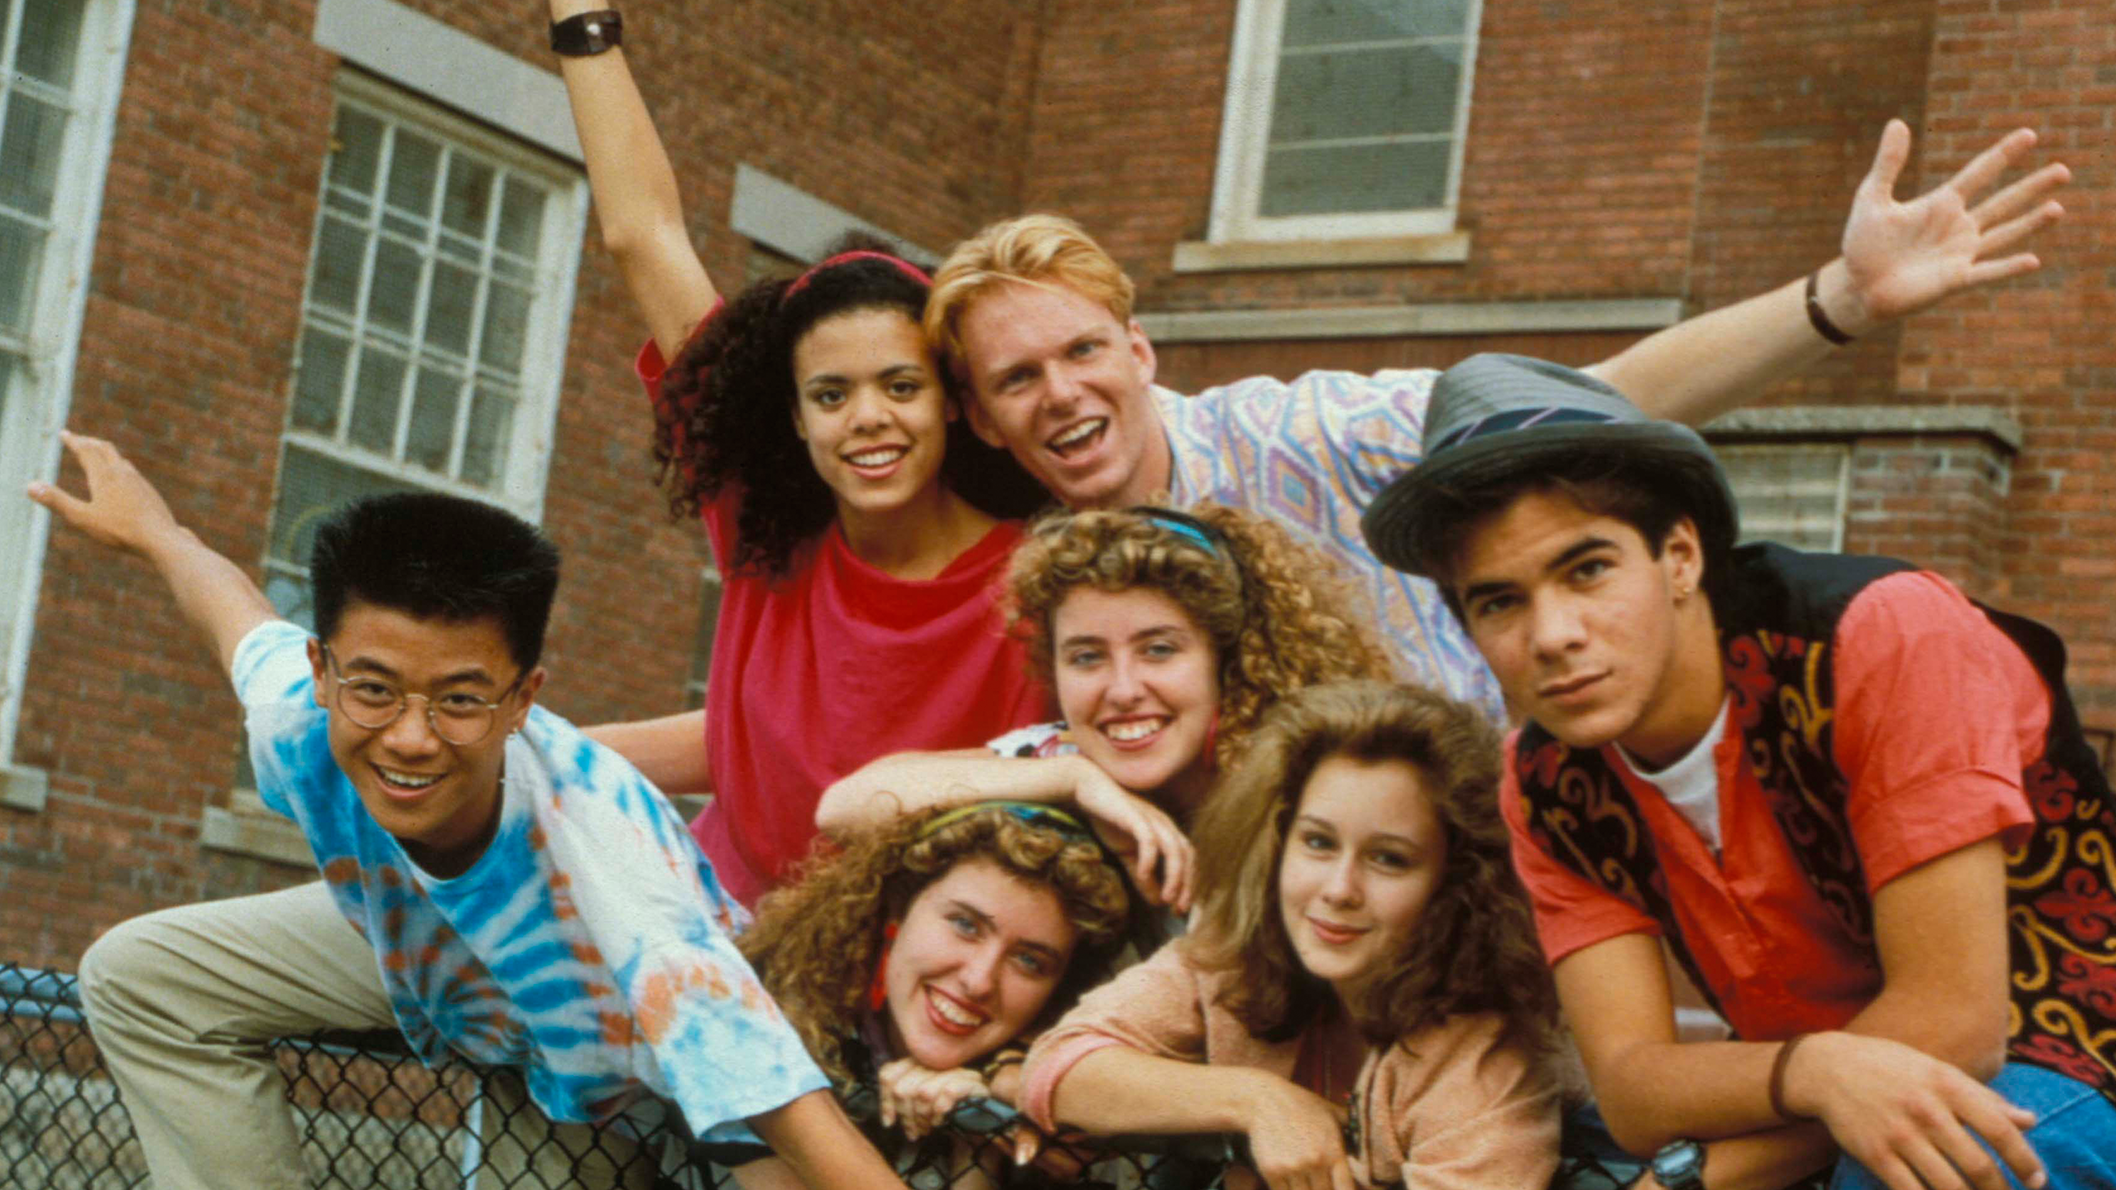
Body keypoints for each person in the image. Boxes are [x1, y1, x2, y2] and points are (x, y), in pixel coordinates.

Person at [921, 123, 2071, 721]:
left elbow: (1586, 402)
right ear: (977, 413)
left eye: (1083, 352)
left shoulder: (1303, 432)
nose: (1063, 393)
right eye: (1019, 378)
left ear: (1138, 351)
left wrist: (1839, 300)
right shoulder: (1023, 560)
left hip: (1499, 841)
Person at [37, 433, 911, 1190]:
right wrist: (157, 531)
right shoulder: (303, 716)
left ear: (524, 698)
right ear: (323, 670)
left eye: (460, 700)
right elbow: (232, 610)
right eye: (374, 690)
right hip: (429, 949)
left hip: (613, 1045)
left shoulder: (611, 876)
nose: (409, 739)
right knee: (142, 974)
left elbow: (781, 1102)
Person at [1359, 354, 2116, 1190]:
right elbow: (1637, 1087)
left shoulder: (1875, 636)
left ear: (1680, 555)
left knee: (1914, 1169)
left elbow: (1958, 1025)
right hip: (1819, 1102)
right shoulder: (1542, 785)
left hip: (2069, 1058)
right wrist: (1813, 1075)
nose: (1552, 634)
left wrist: (1701, 1175)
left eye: (1588, 570)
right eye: (1499, 600)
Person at [546, 0, 1051, 907]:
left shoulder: (1036, 583)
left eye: (901, 387)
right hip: (711, 934)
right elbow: (640, 235)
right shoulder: (762, 524)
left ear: (953, 401)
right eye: (831, 394)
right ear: (794, 418)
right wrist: (582, 19)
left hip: (919, 986)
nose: (868, 420)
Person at [1017, 680, 1563, 1190]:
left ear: (1456, 882)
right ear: (1278, 843)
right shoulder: (1235, 960)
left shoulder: (1481, 1059)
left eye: (1389, 859)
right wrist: (1260, 1101)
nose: (1339, 889)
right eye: (1319, 843)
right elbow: (1058, 1064)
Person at [819, 504, 1394, 909]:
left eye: (1159, 650)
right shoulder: (1066, 759)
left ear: (1227, 659)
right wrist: (1071, 779)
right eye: (1087, 658)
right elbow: (843, 807)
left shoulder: (1302, 782)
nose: (1122, 689)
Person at [721, 801, 1131, 1187]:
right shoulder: (758, 1036)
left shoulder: (1058, 1118)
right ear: (898, 907)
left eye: (1030, 961)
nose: (980, 981)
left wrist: (979, 1142)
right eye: (965, 925)